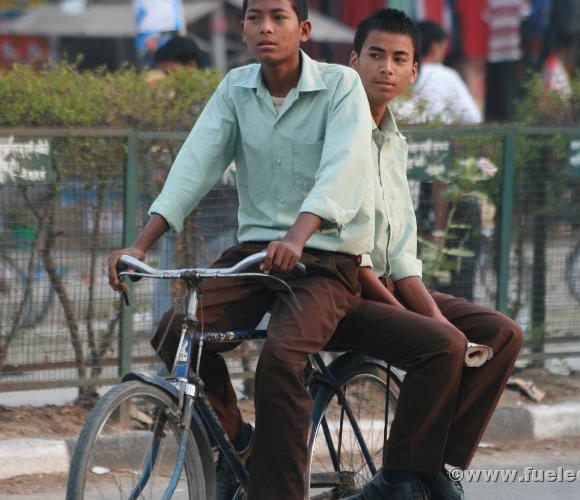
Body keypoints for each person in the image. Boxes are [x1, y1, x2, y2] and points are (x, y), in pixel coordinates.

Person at [107, 0, 376, 498]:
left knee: (280, 359)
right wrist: (141, 245)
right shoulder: (235, 87)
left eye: (279, 17)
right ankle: (238, 440)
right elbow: (195, 164)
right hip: (256, 256)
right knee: (174, 332)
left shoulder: (341, 85)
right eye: (255, 18)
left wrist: (297, 236)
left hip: (324, 257)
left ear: (305, 29)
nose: (266, 28)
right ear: (242, 28)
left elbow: (343, 167)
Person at [339, 9, 523, 499]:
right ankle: (397, 479)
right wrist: (425, 322)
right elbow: (349, 253)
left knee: (500, 334)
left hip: (388, 285)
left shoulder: (396, 142)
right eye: (375, 55)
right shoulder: (337, 133)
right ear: (352, 60)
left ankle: (436, 465)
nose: (386, 68)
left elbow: (402, 256)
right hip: (342, 289)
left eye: (400, 59)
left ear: (414, 71)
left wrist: (433, 315)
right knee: (441, 341)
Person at [398, 20, 482, 125]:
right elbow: (472, 117)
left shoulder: (400, 72)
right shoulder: (447, 75)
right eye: (444, 47)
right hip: (443, 137)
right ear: (436, 47)